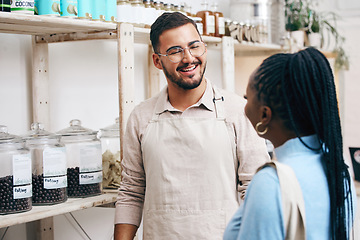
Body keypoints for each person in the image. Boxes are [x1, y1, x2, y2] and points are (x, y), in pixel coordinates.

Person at [114, 12, 270, 239]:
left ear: (204, 49)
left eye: (194, 46)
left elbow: (256, 190)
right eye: (175, 51)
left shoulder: (238, 111)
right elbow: (131, 192)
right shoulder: (141, 117)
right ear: (157, 61)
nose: (188, 58)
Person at [223, 47, 357, 240]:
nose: (244, 106)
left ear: (264, 115)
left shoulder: (271, 182)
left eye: (247, 98)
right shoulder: (338, 168)